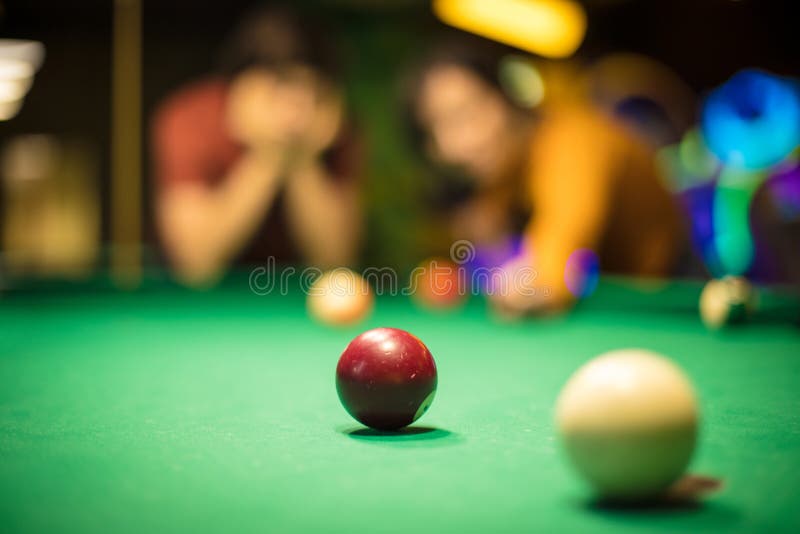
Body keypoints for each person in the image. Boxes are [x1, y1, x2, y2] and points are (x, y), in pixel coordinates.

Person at [408, 36, 685, 315]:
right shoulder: (500, 178)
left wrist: (541, 276)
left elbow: (565, 227)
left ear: (507, 99)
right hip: (611, 298)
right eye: (434, 128)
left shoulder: (571, 139)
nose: (454, 144)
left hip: (674, 289)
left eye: (466, 113)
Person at [152, 7, 361, 286]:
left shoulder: (334, 127)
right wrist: (266, 157)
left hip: (292, 294)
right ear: (238, 88)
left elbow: (334, 263)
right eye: (279, 86)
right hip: (192, 305)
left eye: (312, 92)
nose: (296, 111)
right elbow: (197, 265)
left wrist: (302, 160)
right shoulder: (189, 118)